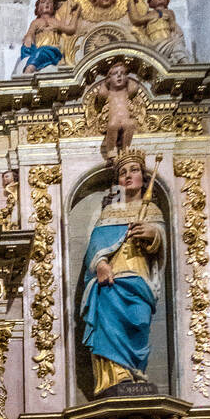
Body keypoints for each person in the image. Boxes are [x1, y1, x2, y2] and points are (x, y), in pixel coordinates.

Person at [79, 150, 165, 395]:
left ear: (143, 176)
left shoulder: (153, 212)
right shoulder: (109, 213)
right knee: (109, 327)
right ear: (117, 181)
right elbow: (95, 249)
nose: (128, 176)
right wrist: (101, 264)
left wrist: (151, 234)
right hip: (112, 283)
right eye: (123, 172)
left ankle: (135, 372)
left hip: (139, 280)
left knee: (138, 322)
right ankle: (115, 378)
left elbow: (161, 245)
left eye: (134, 170)